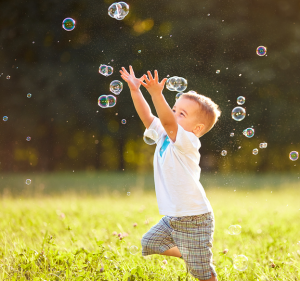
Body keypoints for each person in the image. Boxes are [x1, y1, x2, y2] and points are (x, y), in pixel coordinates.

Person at [120, 66, 221, 281]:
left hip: (195, 217)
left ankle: (199, 261)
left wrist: (157, 93)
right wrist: (135, 90)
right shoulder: (165, 134)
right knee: (150, 243)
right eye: (174, 109)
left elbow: (167, 121)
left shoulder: (188, 141)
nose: (173, 115)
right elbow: (148, 116)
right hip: (175, 215)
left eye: (181, 114)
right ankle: (193, 255)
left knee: (202, 274)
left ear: (197, 128)